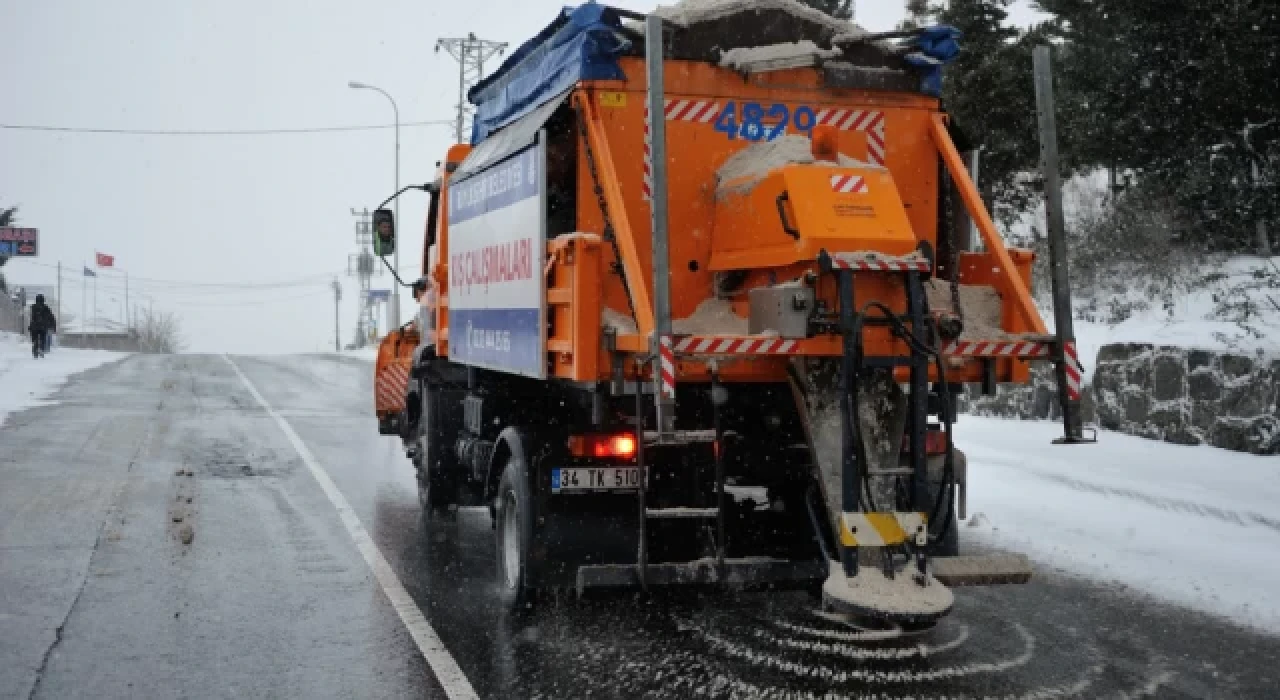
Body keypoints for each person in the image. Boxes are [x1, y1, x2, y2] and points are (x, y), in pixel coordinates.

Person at [28, 293, 56, 358]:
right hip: (43, 327)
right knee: (42, 339)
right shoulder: (46, 308)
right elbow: (51, 317)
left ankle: (35, 351)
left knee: (35, 340)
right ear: (43, 300)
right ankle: (41, 349)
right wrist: (53, 326)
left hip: (34, 327)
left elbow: (31, 317)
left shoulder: (33, 307)